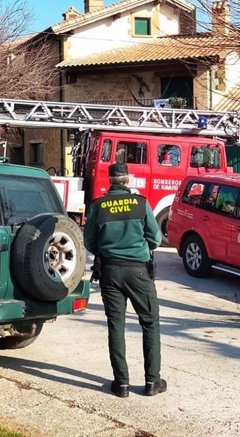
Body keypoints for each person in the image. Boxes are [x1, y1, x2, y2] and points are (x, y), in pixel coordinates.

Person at [83, 162, 165, 398]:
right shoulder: (140, 204)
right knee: (150, 323)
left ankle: (122, 384)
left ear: (110, 180)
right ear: (128, 179)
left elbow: (89, 241)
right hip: (138, 272)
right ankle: (152, 382)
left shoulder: (98, 206)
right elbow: (156, 239)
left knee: (116, 325)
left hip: (110, 272)